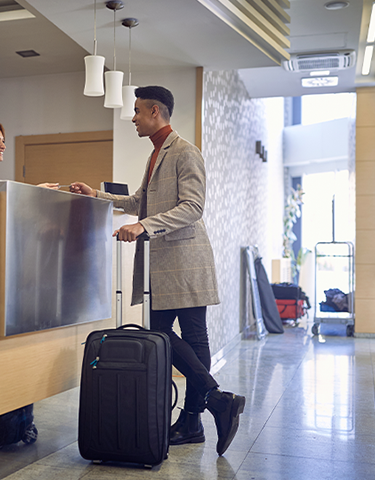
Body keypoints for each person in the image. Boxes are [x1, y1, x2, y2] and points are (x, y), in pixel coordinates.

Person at [70, 86, 245, 456]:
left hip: (185, 260)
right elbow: (138, 201)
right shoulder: (155, 155)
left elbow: (193, 207)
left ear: (154, 111)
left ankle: (196, 416)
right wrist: (96, 195)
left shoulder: (185, 151)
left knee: (189, 337)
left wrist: (144, 226)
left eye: (136, 111)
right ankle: (212, 405)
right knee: (163, 334)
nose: (132, 117)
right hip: (163, 262)